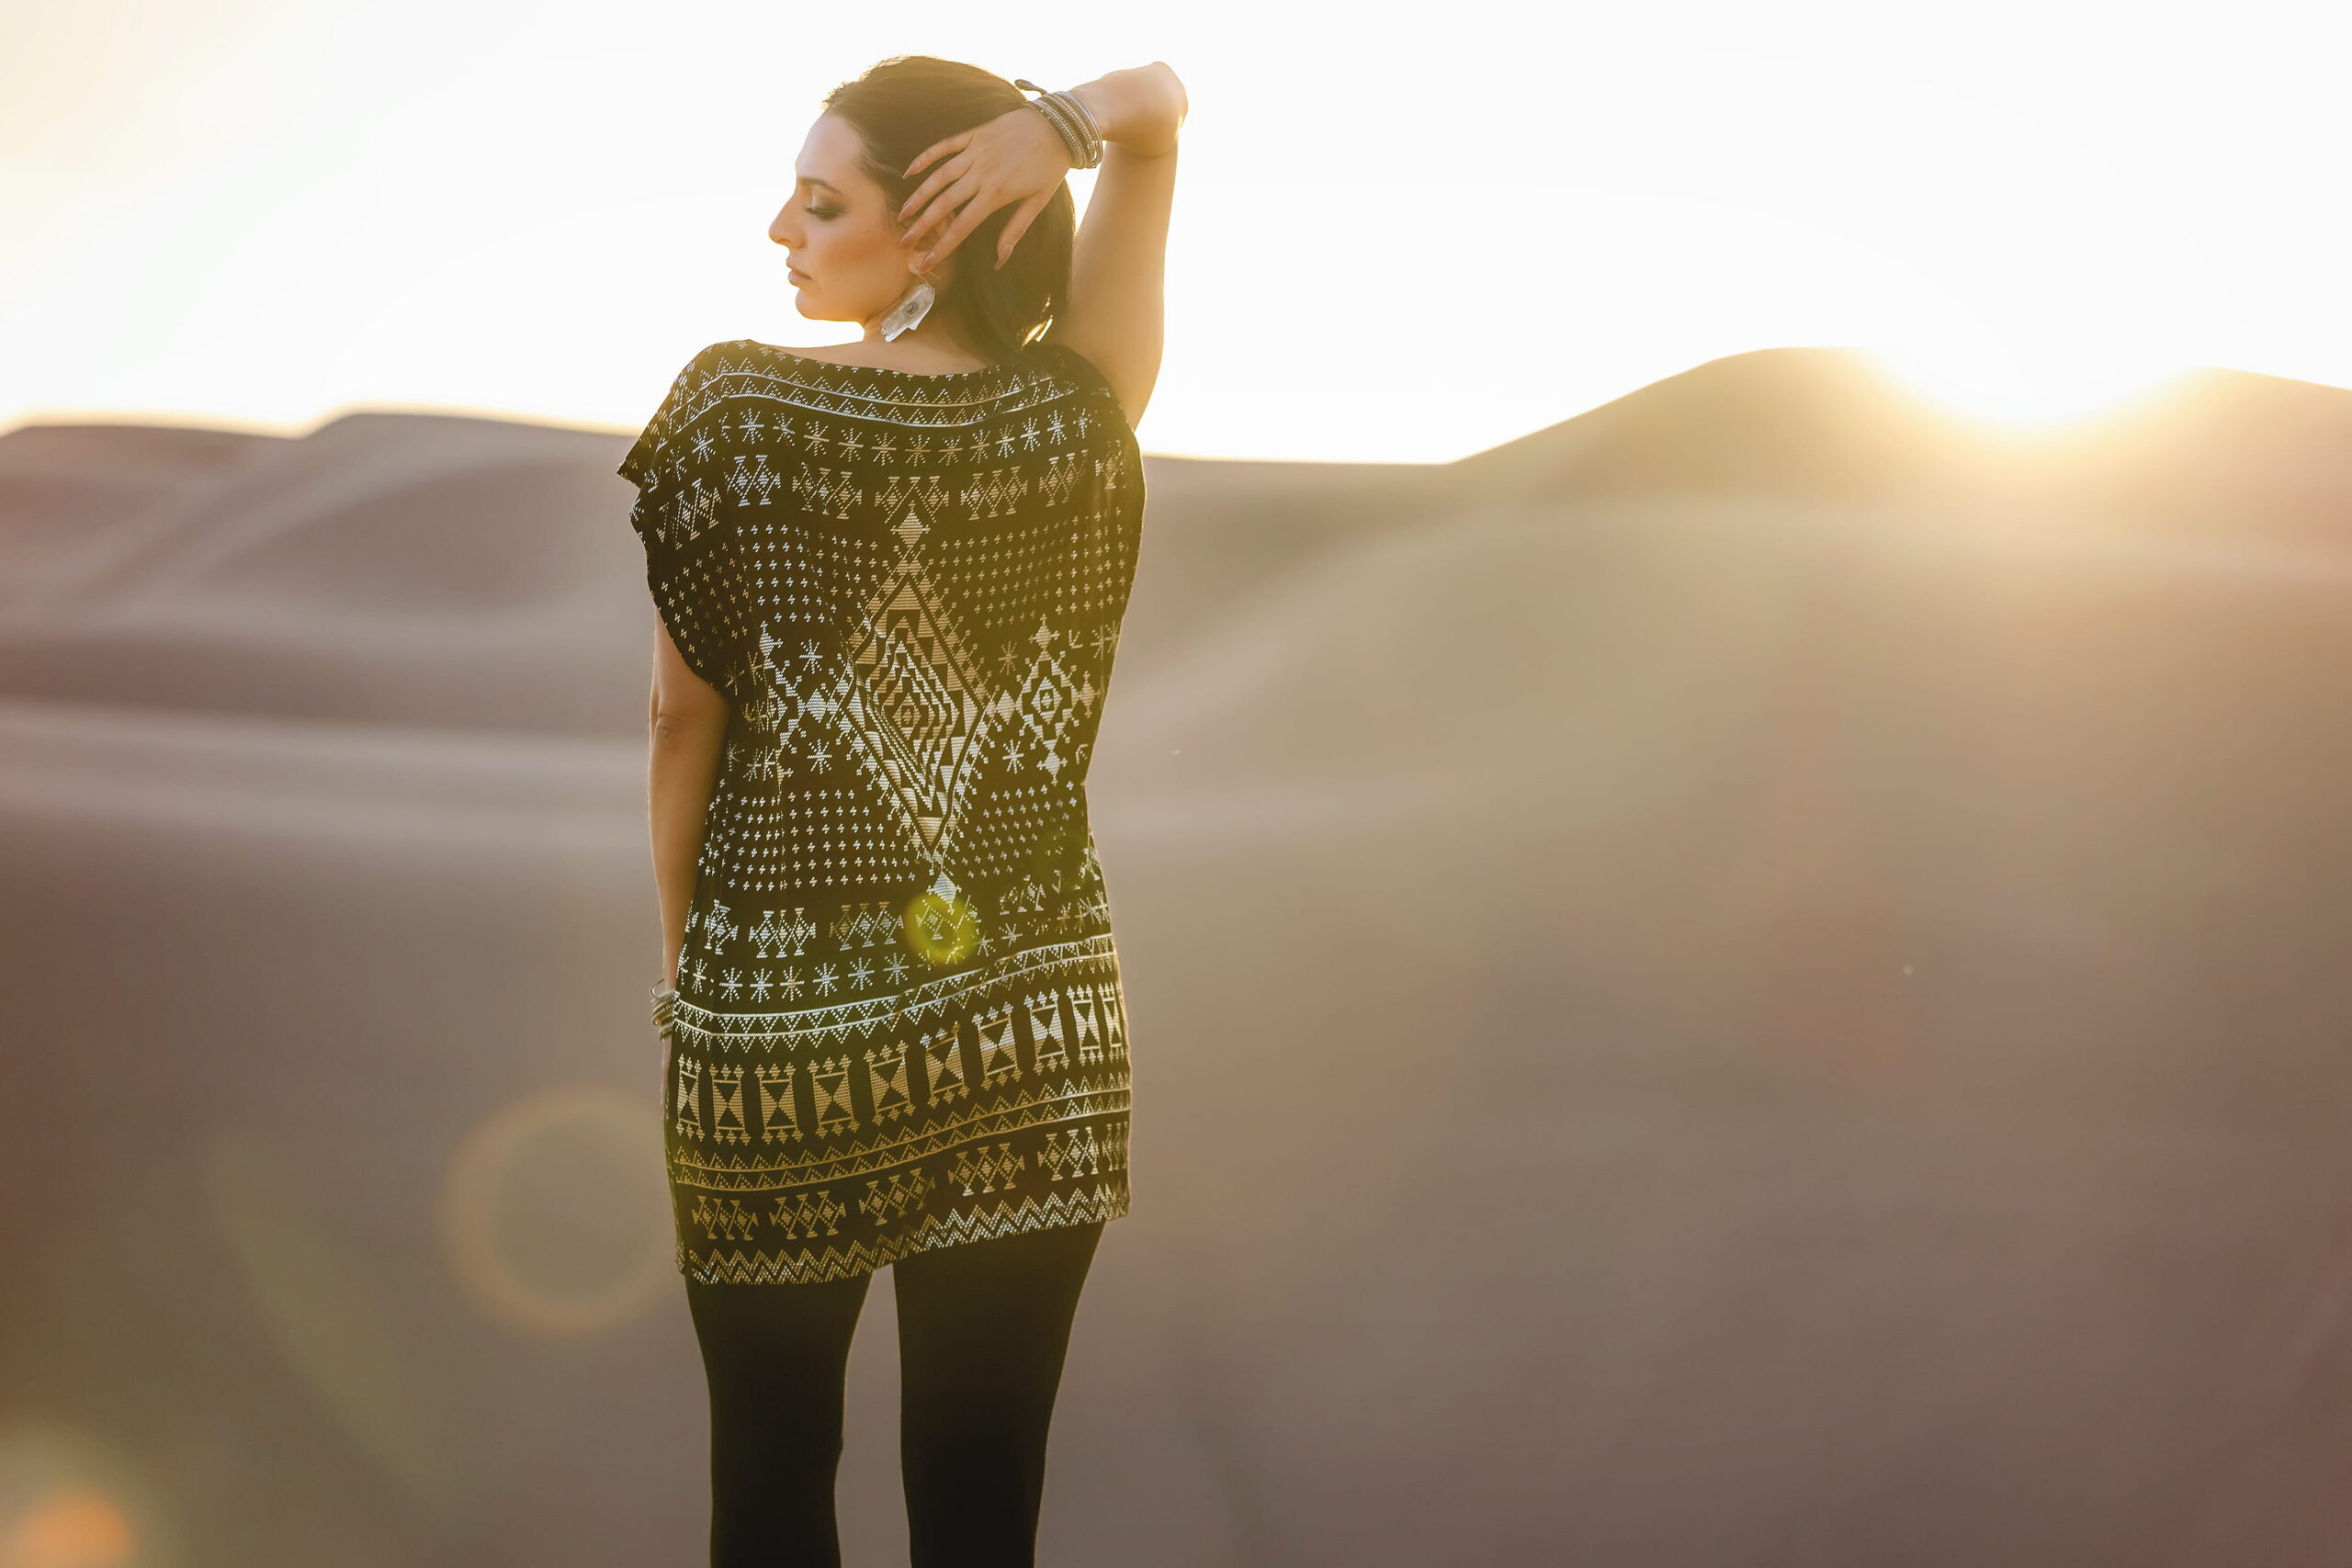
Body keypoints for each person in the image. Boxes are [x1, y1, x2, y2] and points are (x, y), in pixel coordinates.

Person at [618, 53, 1186, 1568]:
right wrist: (1061, 133)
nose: (779, 232)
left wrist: (690, 972)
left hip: (774, 1044)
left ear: (934, 223)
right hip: (1026, 1032)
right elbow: (1161, 108)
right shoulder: (1079, 410)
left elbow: (682, 726)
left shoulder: (736, 411)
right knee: (985, 1502)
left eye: (821, 202)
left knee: (772, 1483)